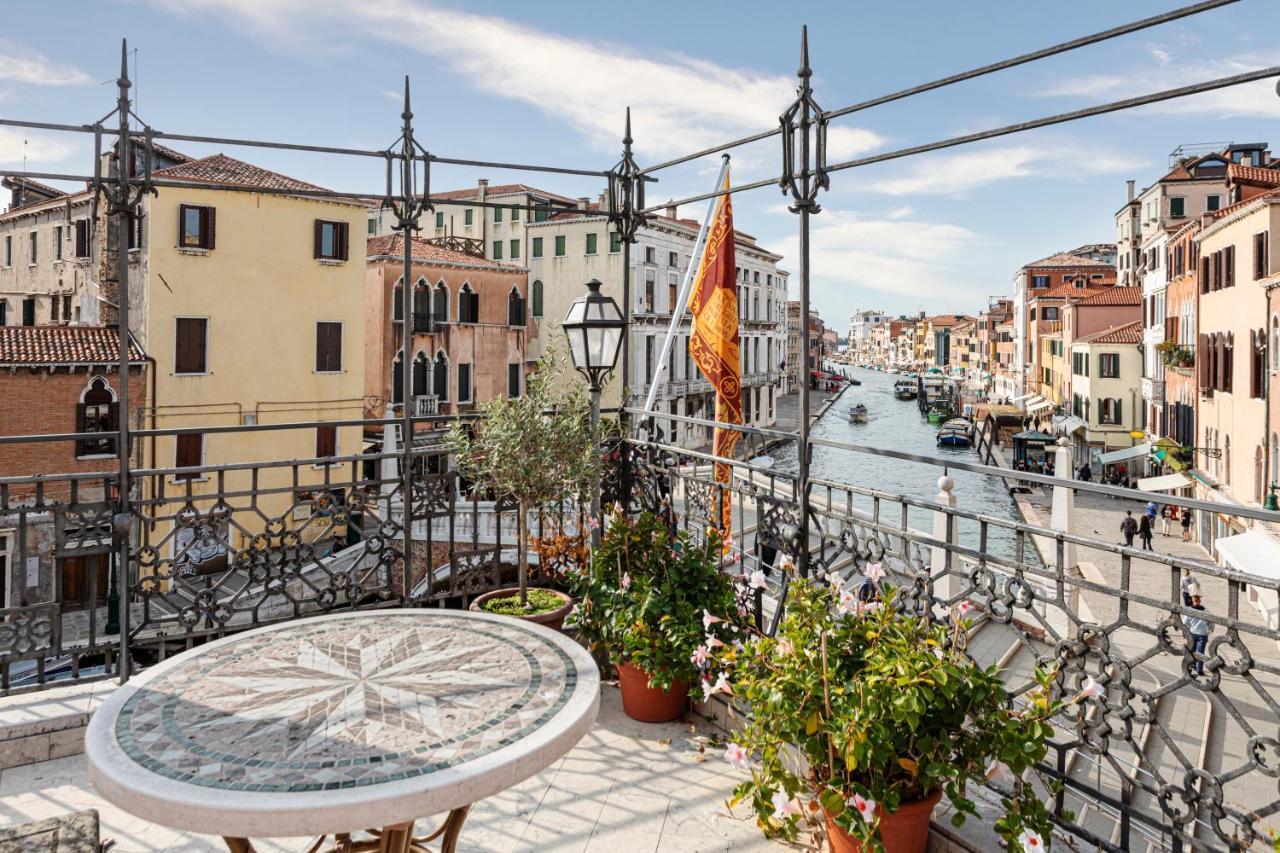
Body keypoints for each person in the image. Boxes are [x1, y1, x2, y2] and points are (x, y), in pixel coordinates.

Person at [1183, 594, 1210, 675]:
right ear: (1199, 600)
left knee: (1191, 650)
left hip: (1191, 633)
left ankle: (1192, 665)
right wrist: (1210, 629)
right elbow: (1211, 622)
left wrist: (1183, 632)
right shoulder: (1206, 611)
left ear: (1192, 600)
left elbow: (1184, 623)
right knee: (1200, 652)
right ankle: (1199, 669)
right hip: (1202, 634)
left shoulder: (1189, 610)